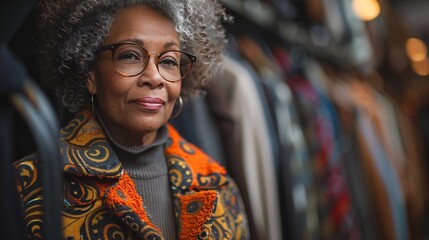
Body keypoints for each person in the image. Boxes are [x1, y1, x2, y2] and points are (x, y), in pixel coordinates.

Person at [13, 0, 250, 239]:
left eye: (169, 61)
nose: (155, 77)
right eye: (130, 56)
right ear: (90, 74)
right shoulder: (32, 185)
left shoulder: (217, 185)